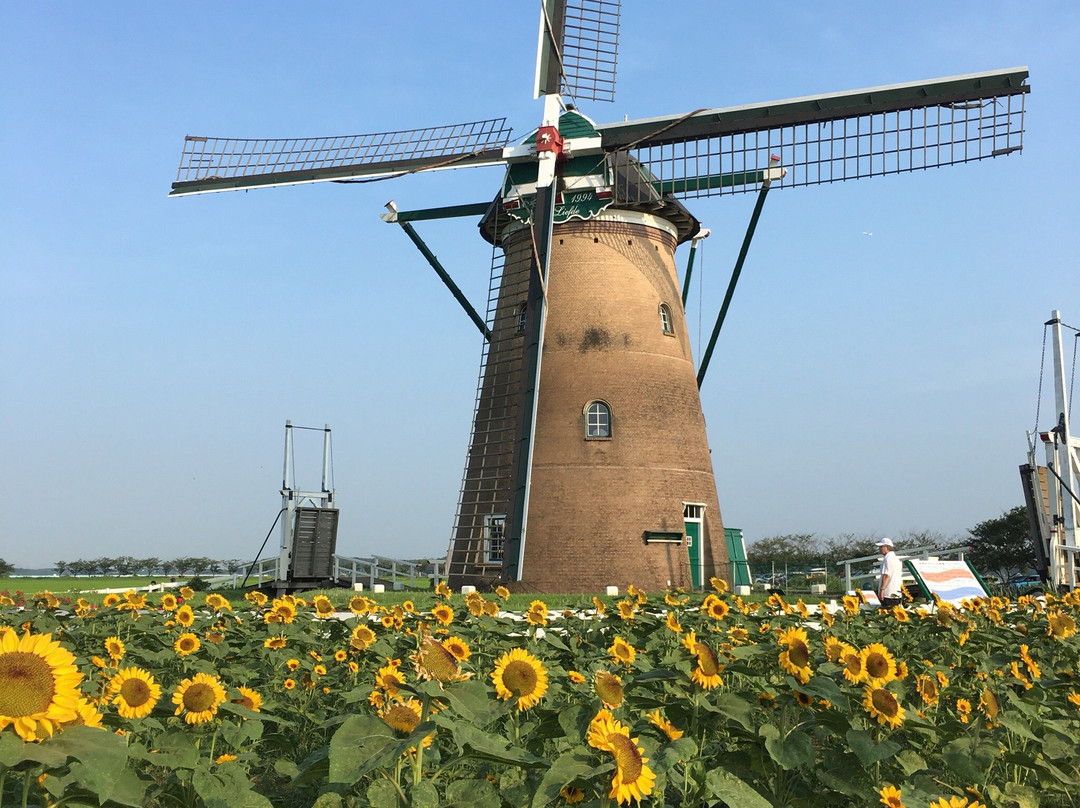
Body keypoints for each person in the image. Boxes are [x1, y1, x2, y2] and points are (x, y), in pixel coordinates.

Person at [876, 538, 903, 608]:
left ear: (887, 547)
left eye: (881, 547)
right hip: (896, 592)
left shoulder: (887, 558)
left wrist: (882, 590)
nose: (879, 549)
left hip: (888, 593)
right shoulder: (896, 558)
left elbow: (886, 575)